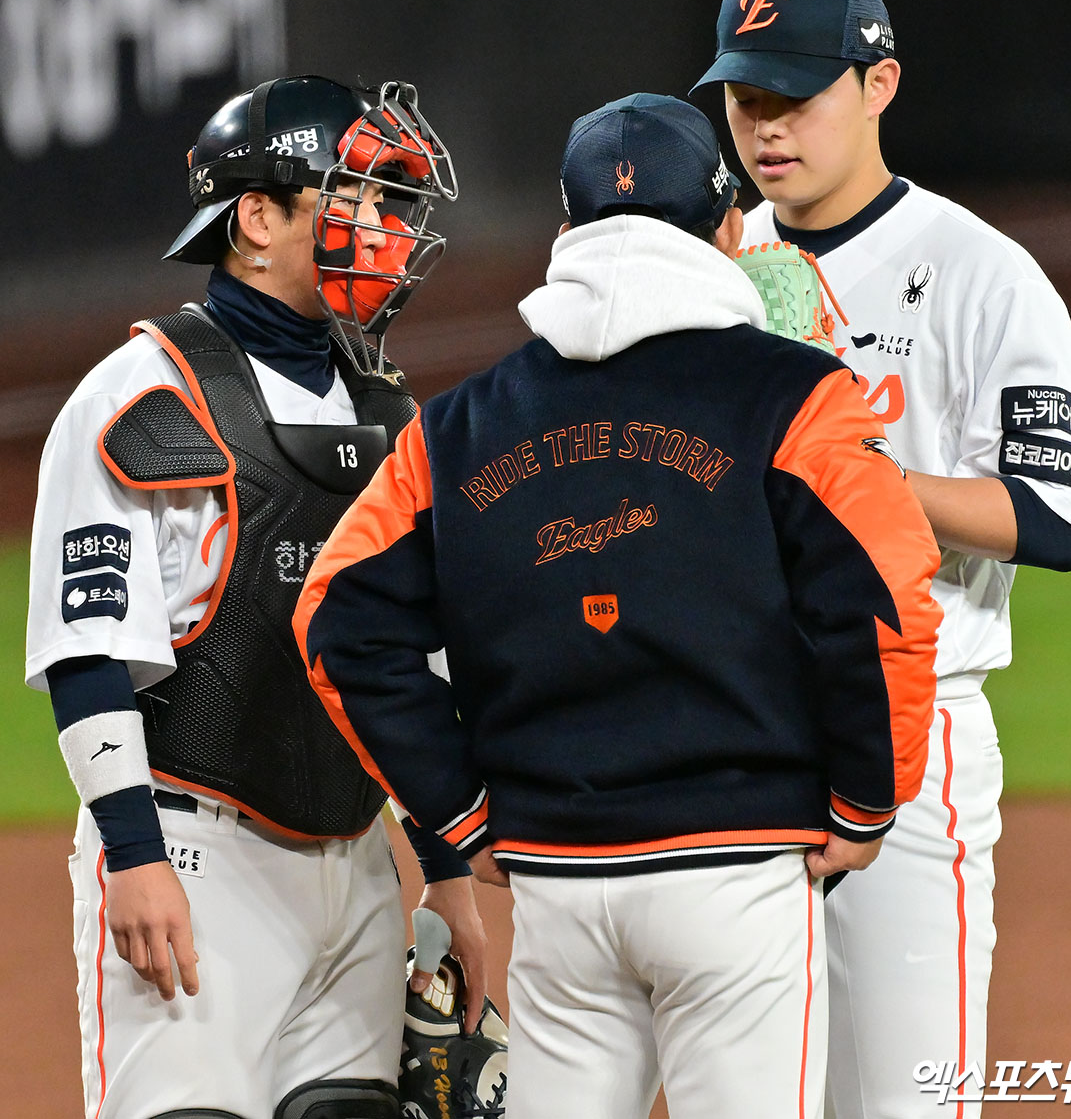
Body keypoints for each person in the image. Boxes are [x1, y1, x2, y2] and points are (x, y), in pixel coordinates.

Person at [293, 91, 944, 1119]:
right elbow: (883, 601)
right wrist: (867, 800)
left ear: (567, 234)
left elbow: (335, 619)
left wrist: (460, 813)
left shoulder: (457, 429)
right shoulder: (798, 397)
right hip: (736, 873)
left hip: (559, 881)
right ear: (727, 232)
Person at [25, 74, 488, 1119]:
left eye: (390, 201)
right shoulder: (142, 398)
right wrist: (133, 855)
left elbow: (406, 668)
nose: (386, 228)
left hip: (358, 872)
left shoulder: (384, 409)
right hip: (196, 864)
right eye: (355, 198)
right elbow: (87, 650)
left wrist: (445, 868)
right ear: (258, 220)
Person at [693, 0, 1071, 1118]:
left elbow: (1053, 519)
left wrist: (855, 474)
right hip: (726, 737)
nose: (766, 128)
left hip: (906, 732)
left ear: (880, 86)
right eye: (745, 100)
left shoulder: (979, 273)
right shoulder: (706, 269)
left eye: (794, 96)